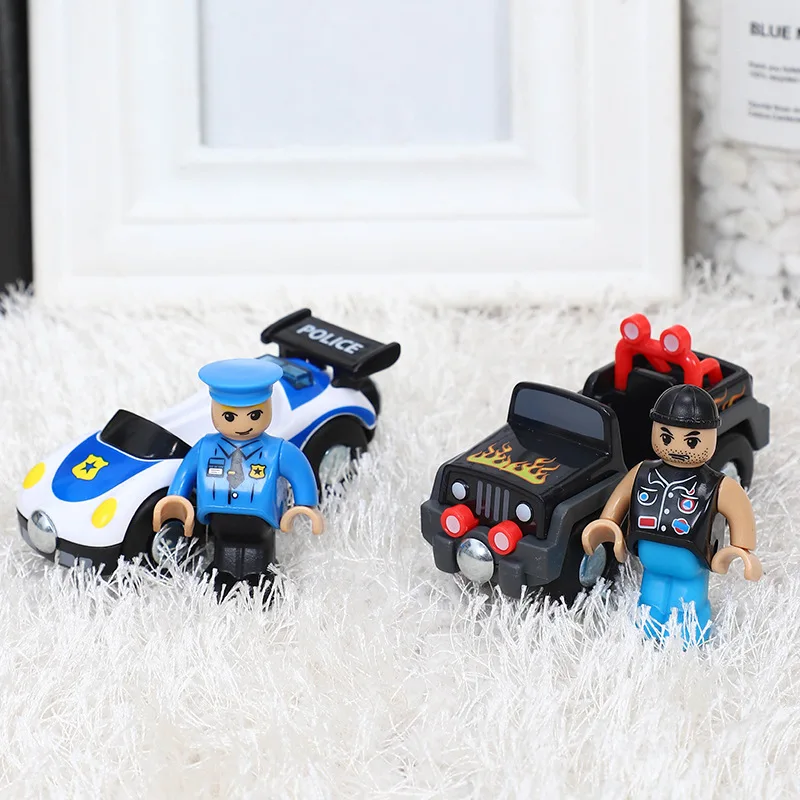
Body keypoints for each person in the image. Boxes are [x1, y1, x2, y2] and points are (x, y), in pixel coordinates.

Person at [582, 383, 762, 643]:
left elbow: (739, 512)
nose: (678, 448)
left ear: (712, 435)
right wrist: (608, 524)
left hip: (691, 563)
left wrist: (742, 549)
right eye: (666, 438)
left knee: (687, 603)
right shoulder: (642, 472)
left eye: (691, 441)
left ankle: (689, 632)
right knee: (651, 599)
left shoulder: (717, 486)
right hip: (651, 561)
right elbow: (618, 502)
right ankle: (650, 626)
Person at [152, 358, 324, 595]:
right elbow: (186, 473)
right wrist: (176, 499)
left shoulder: (278, 451)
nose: (243, 424)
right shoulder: (205, 447)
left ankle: (261, 577)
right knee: (223, 551)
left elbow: (300, 471)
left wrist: (305, 505)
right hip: (219, 516)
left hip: (260, 519)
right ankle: (222, 575)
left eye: (254, 415)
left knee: (259, 553)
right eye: (230, 417)